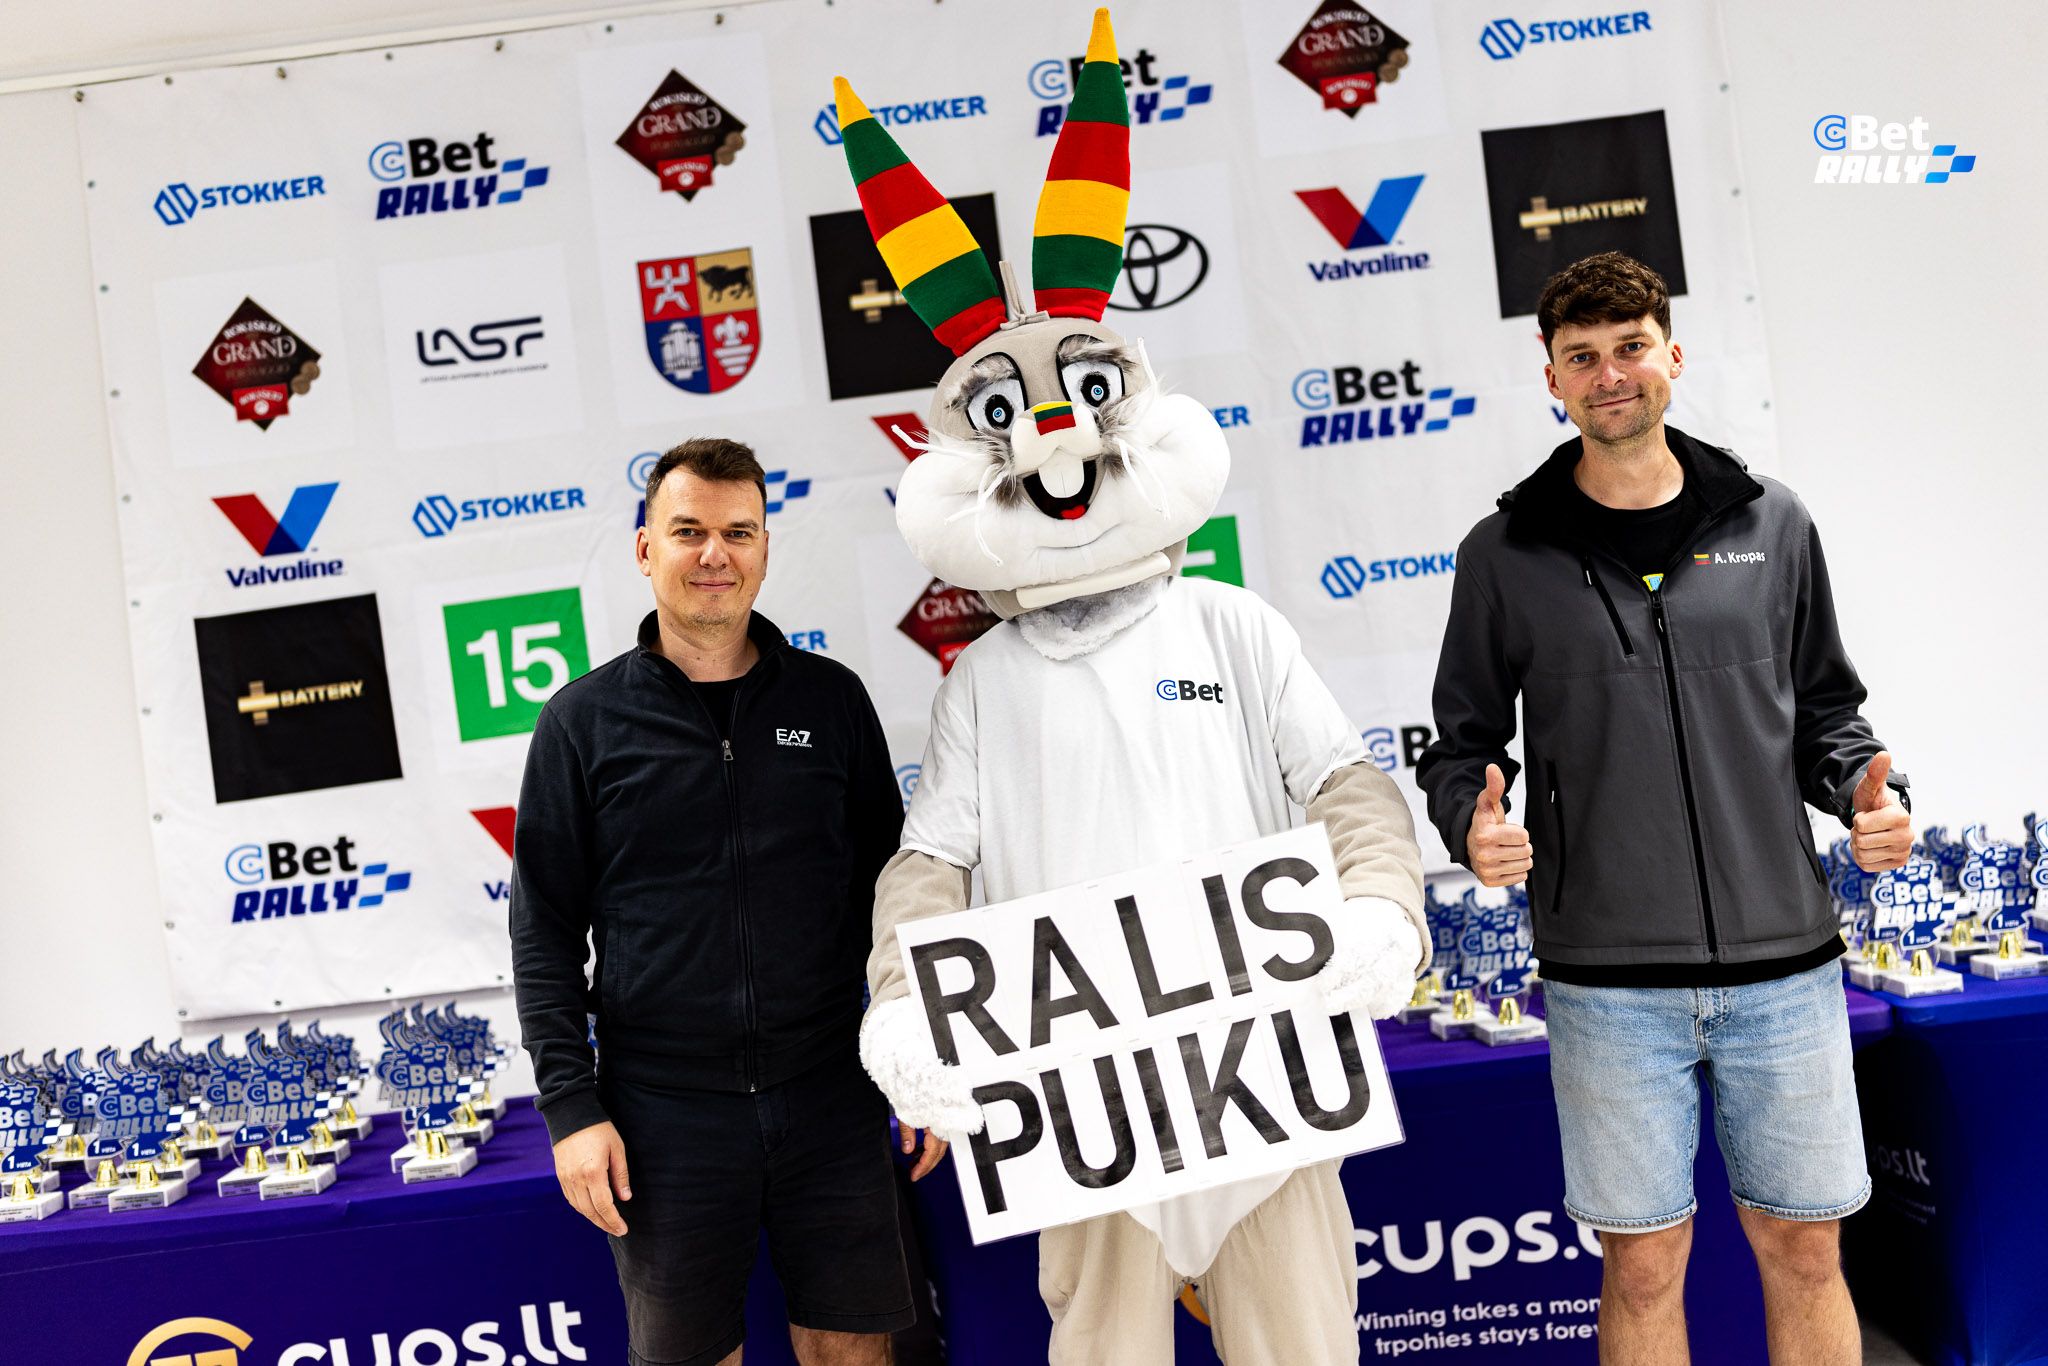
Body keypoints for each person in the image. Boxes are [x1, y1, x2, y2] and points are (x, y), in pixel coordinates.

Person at [1417, 252, 1912, 1366]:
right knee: (1640, 1264)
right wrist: (1470, 825)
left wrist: (1863, 794)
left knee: (1804, 1249)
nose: (1609, 374)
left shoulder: (1772, 522)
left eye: (1630, 347)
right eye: (1581, 355)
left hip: (1785, 966)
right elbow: (1460, 746)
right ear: (1549, 374)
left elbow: (1825, 714)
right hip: (1606, 982)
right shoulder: (1503, 554)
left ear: (1671, 356)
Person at [509, 437, 926, 1366]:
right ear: (644, 548)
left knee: (854, 1350)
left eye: (738, 532)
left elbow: (897, 897)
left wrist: (922, 1060)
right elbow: (542, 932)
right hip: (664, 1114)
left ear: (765, 550)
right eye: (688, 530)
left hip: (832, 1092)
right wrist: (570, 1109)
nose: (714, 554)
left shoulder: (831, 701)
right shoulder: (582, 723)